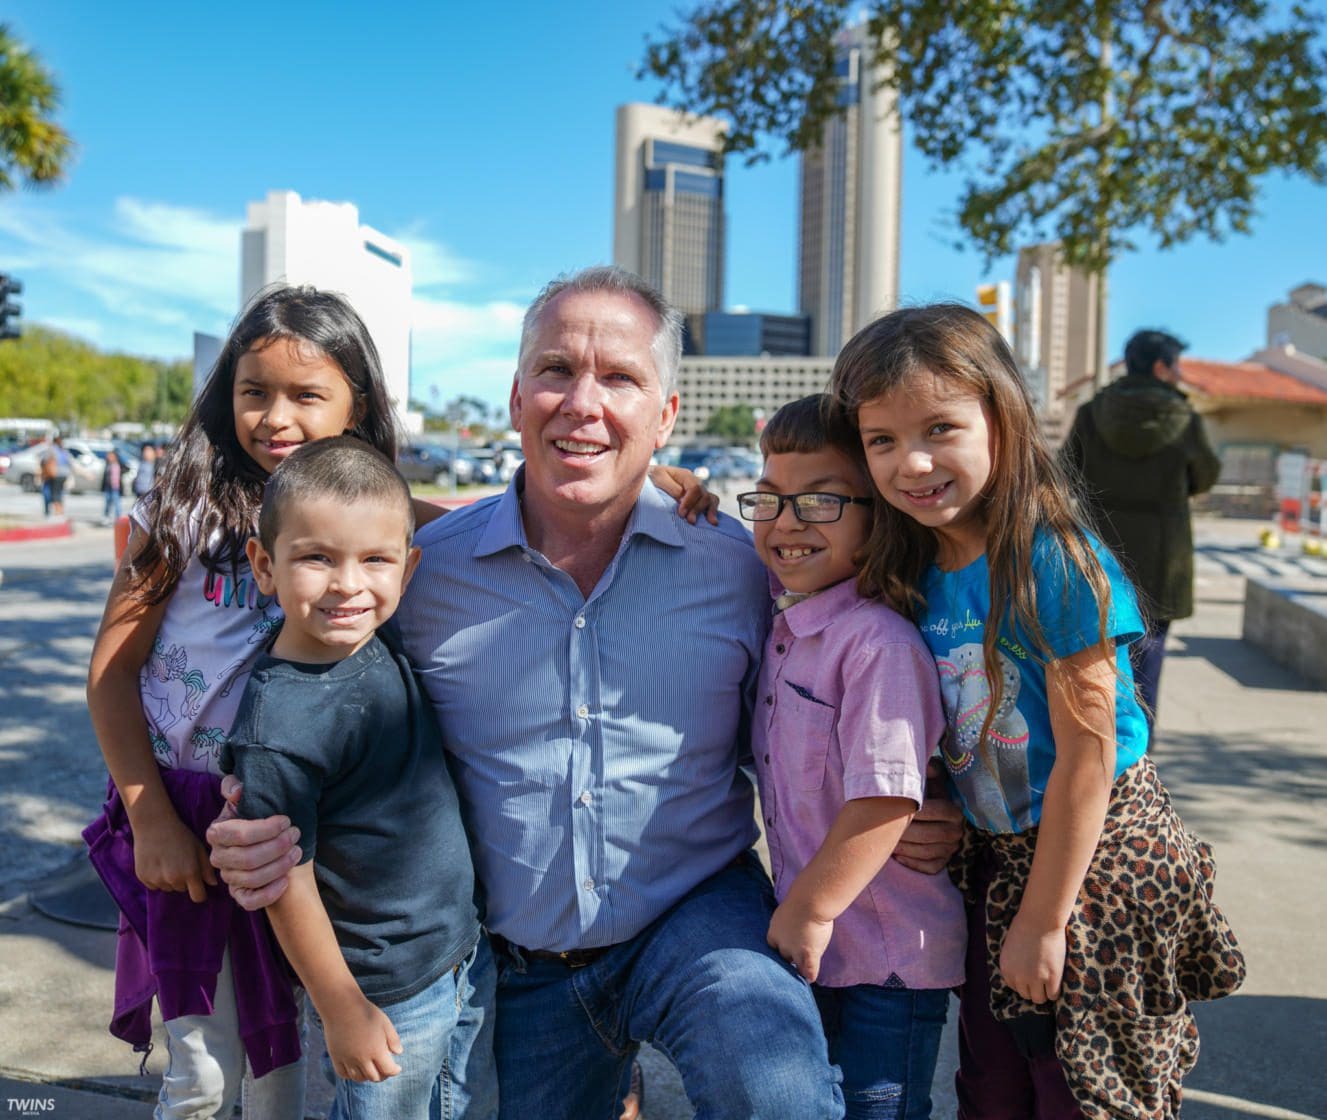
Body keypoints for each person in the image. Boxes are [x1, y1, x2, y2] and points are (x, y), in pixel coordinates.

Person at [208, 266, 966, 1119]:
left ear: (665, 416)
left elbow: (873, 662)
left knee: (778, 1089)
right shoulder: (418, 575)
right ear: (515, 395)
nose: (582, 402)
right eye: (558, 370)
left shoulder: (742, 563)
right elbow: (316, 691)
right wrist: (257, 808)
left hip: (698, 916)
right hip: (519, 958)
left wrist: (934, 798)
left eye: (620, 379)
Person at [829, 304, 1245, 1120]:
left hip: (1093, 867)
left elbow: (1090, 757)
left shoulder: (1049, 558)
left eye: (940, 428)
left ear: (1003, 420)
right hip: (998, 860)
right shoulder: (914, 557)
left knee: (1088, 1091)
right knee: (993, 1083)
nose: (911, 461)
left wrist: (1044, 921)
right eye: (881, 439)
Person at [84, 284, 408, 1120]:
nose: (275, 416)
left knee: (283, 1079)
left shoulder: (372, 515)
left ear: (357, 404)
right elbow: (111, 675)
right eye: (253, 391)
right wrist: (150, 817)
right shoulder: (180, 514)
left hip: (301, 830)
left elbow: (488, 526)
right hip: (187, 824)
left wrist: (659, 489)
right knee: (202, 1077)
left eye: (307, 395)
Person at [221, 436, 494, 1120]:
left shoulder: (378, 637)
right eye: (316, 558)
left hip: (462, 954)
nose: (348, 584)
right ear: (263, 564)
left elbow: (478, 517)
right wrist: (342, 1008)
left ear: (408, 571)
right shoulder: (277, 724)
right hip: (379, 991)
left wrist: (647, 485)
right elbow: (284, 875)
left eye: (375, 561)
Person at [738, 394, 967, 1120]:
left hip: (883, 958)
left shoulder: (877, 645)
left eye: (820, 502)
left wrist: (807, 907)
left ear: (877, 524)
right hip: (823, 944)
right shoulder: (790, 622)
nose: (787, 522)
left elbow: (886, 797)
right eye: (769, 499)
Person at [1060, 329, 1221, 734]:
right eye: (1176, 365)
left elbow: (1065, 471)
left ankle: (1093, 738)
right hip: (1162, 556)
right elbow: (1204, 475)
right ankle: (1138, 752)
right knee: (1149, 651)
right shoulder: (1185, 419)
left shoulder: (1092, 412)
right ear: (1160, 367)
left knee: (1095, 646)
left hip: (1100, 548)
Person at [40, 437, 69, 517]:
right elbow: (69, 463)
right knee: (59, 492)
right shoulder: (64, 451)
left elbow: (43, 460)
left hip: (54, 474)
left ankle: (56, 510)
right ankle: (59, 509)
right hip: (64, 475)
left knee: (53, 492)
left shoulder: (51, 450)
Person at [101, 448, 125, 524]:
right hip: (108, 487)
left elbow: (126, 468)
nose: (109, 457)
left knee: (117, 503)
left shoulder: (119, 464)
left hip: (116, 488)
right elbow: (105, 477)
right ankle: (106, 517)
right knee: (107, 504)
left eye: (111, 456)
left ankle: (118, 518)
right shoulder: (107, 464)